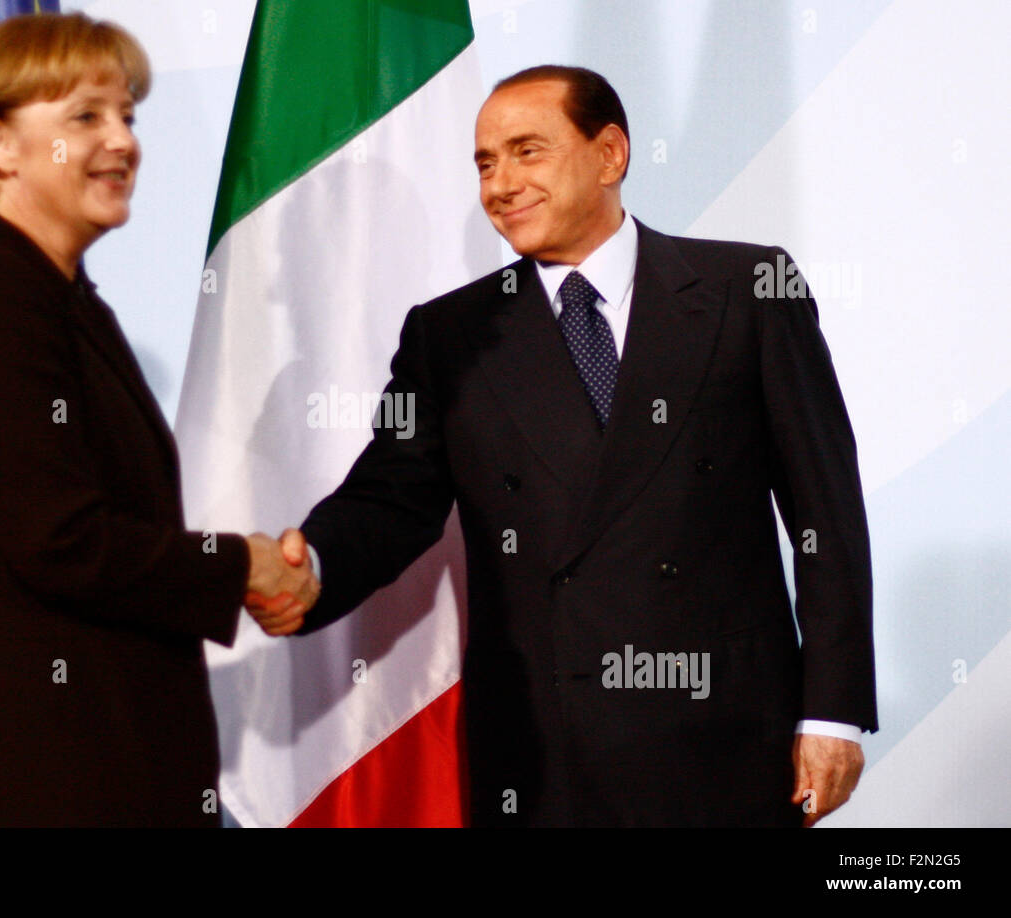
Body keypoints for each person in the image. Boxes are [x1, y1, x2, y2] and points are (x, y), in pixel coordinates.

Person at [247, 65, 876, 827]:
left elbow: (826, 515)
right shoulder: (449, 336)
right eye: (484, 163)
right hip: (545, 760)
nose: (500, 184)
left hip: (730, 742)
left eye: (526, 151)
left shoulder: (749, 290)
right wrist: (309, 565)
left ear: (610, 154)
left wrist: (832, 713)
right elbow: (391, 495)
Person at [0, 12, 314, 827]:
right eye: (86, 116)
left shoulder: (56, 296)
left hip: (90, 763)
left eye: (128, 115)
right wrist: (243, 566)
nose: (123, 141)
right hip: (25, 779)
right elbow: (61, 541)